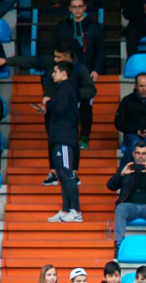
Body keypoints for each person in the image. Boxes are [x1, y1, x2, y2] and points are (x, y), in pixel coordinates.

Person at [5, 40, 94, 182]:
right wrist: (7, 61)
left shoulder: (79, 69)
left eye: (58, 57)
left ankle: (73, 172)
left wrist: (71, 93)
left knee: (72, 140)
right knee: (52, 139)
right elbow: (31, 61)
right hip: (51, 108)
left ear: (67, 58)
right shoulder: (50, 63)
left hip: (69, 111)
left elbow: (91, 90)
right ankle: (53, 172)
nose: (54, 60)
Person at [108, 141, 146, 257]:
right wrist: (121, 175)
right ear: (133, 154)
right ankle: (119, 246)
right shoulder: (126, 168)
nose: (141, 156)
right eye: (138, 153)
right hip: (130, 206)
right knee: (120, 208)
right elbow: (110, 186)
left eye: (144, 153)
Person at [40, 61, 82, 223]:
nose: (52, 74)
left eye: (55, 71)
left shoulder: (66, 88)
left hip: (64, 137)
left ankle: (76, 211)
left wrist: (47, 102)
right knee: (63, 176)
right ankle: (65, 210)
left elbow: (60, 109)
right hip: (60, 137)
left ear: (64, 73)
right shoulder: (64, 89)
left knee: (67, 174)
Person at [55, 0, 105, 90]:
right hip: (67, 73)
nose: (77, 9)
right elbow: (55, 49)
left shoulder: (95, 27)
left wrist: (97, 70)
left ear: (85, 7)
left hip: (89, 73)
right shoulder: (62, 27)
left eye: (80, 6)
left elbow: (101, 50)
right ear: (70, 8)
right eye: (74, 7)